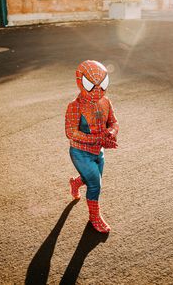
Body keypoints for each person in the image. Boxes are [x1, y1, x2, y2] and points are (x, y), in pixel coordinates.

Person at [65, 60, 119, 233]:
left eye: (103, 84)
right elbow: (71, 133)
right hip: (80, 153)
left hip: (98, 151)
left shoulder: (106, 102)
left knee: (93, 179)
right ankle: (94, 217)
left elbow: (114, 122)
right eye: (92, 85)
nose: (98, 90)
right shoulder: (75, 106)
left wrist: (111, 133)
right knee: (95, 184)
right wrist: (97, 138)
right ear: (81, 82)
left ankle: (75, 183)